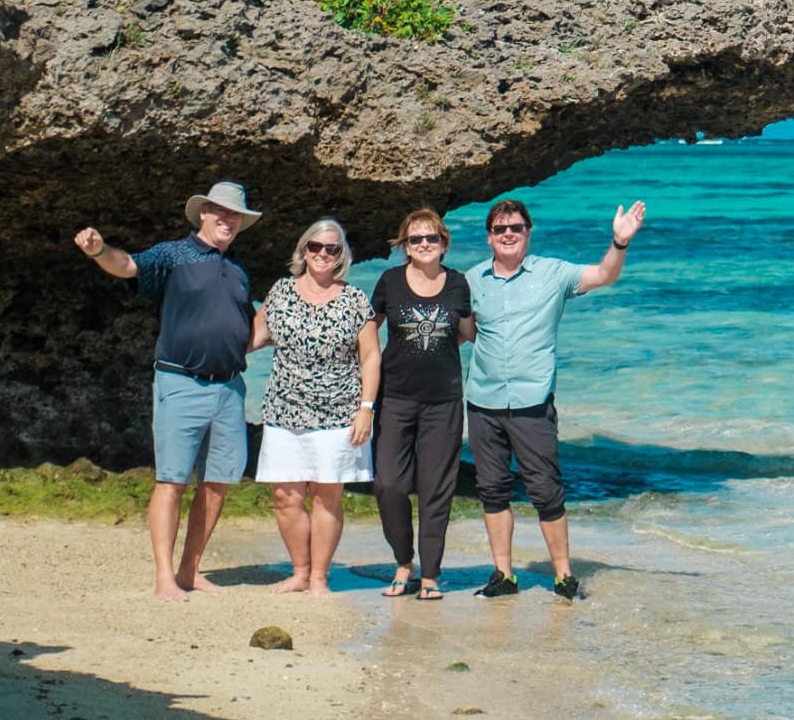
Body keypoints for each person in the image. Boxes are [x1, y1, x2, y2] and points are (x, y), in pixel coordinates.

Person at [74, 181, 264, 602]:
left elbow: (248, 328)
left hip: (231, 387)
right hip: (181, 382)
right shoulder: (174, 254)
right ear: (203, 214)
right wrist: (98, 251)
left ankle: (190, 571)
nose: (228, 220)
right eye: (221, 212)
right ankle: (164, 577)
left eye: (235, 215)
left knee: (217, 483)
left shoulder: (238, 269)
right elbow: (128, 266)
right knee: (172, 480)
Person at [464, 197, 648, 599]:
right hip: (483, 403)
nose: (508, 234)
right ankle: (503, 575)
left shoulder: (553, 273)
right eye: (500, 229)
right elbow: (466, 330)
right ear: (489, 236)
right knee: (492, 490)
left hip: (532, 404)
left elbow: (603, 275)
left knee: (546, 492)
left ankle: (564, 576)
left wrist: (619, 243)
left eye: (515, 228)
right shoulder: (472, 279)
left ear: (528, 232)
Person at [251, 218, 378, 594]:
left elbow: (371, 357)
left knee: (327, 496)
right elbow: (253, 336)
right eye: (316, 247)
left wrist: (366, 408)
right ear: (303, 250)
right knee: (284, 497)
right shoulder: (281, 292)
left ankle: (320, 577)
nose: (323, 254)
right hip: (283, 410)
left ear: (342, 256)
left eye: (332, 248)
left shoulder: (355, 299)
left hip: (340, 413)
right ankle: (300, 571)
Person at [368, 207, 475, 600]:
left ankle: (430, 573)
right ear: (405, 246)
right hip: (395, 397)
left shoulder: (459, 284)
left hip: (443, 401)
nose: (424, 244)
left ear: (443, 244)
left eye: (431, 238)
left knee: (436, 488)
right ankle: (402, 559)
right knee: (389, 484)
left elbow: (466, 332)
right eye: (416, 239)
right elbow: (367, 334)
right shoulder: (389, 282)